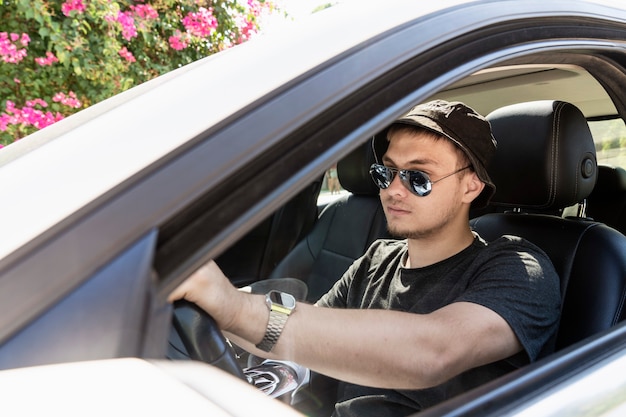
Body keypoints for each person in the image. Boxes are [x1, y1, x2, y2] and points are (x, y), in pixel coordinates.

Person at [169, 100, 561, 416]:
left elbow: (433, 353)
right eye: (385, 173)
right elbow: (298, 341)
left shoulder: (520, 267)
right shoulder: (376, 260)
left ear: (470, 186)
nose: (393, 191)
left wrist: (234, 307)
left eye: (418, 178)